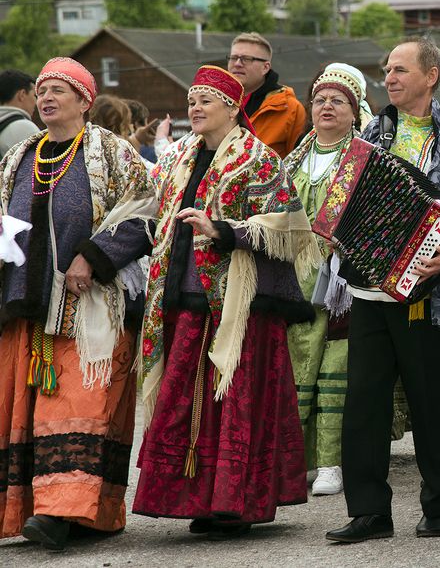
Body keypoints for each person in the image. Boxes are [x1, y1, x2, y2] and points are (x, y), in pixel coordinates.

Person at [132, 65, 319, 539]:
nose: (195, 108)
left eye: (206, 101)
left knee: (231, 401)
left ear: (233, 108)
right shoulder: (177, 158)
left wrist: (222, 231)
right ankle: (195, 499)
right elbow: (149, 215)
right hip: (182, 300)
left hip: (237, 309)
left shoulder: (257, 159)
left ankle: (233, 503)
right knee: (184, 400)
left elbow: (288, 224)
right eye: (191, 100)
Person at [326, 36, 440, 543]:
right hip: (371, 292)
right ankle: (369, 511)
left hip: (431, 295)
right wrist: (336, 227)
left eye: (400, 69)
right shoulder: (369, 136)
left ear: (431, 76)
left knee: (434, 403)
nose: (390, 78)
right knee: (364, 405)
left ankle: (438, 505)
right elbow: (340, 203)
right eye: (386, 70)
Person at [0, 57, 155, 550]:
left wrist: (94, 256)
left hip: (88, 307)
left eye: (58, 91)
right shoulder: (18, 156)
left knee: (79, 403)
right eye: (42, 90)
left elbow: (147, 213)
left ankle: (66, 511)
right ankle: (34, 509)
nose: (46, 98)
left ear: (85, 101)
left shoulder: (113, 151)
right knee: (26, 407)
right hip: (25, 305)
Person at [284, 64, 368, 498]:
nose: (327, 107)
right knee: (300, 366)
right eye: (320, 100)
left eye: (338, 101)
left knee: (338, 371)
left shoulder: (363, 157)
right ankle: (301, 460)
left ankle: (333, 461)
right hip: (298, 282)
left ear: (355, 112)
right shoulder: (293, 159)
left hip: (342, 285)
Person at [227, 32, 307, 158]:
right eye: (233, 58)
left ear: (265, 67)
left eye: (246, 59)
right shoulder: (218, 102)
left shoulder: (289, 108)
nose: (237, 63)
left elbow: (298, 159)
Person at [0, 69, 39, 157]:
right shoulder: (24, 127)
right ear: (22, 94)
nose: (36, 102)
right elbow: (38, 167)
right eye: (34, 95)